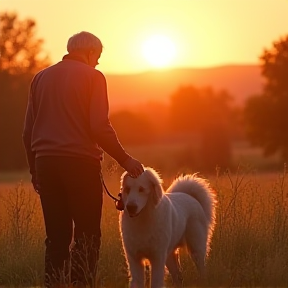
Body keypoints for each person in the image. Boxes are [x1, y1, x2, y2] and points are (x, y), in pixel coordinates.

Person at [22, 31, 144, 288]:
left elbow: (27, 133)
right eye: (97, 57)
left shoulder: (40, 78)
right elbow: (99, 126)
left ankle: (53, 285)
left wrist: (35, 172)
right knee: (88, 236)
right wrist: (126, 161)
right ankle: (81, 284)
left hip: (45, 164)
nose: (98, 63)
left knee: (56, 237)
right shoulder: (94, 77)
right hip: (79, 164)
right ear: (89, 52)